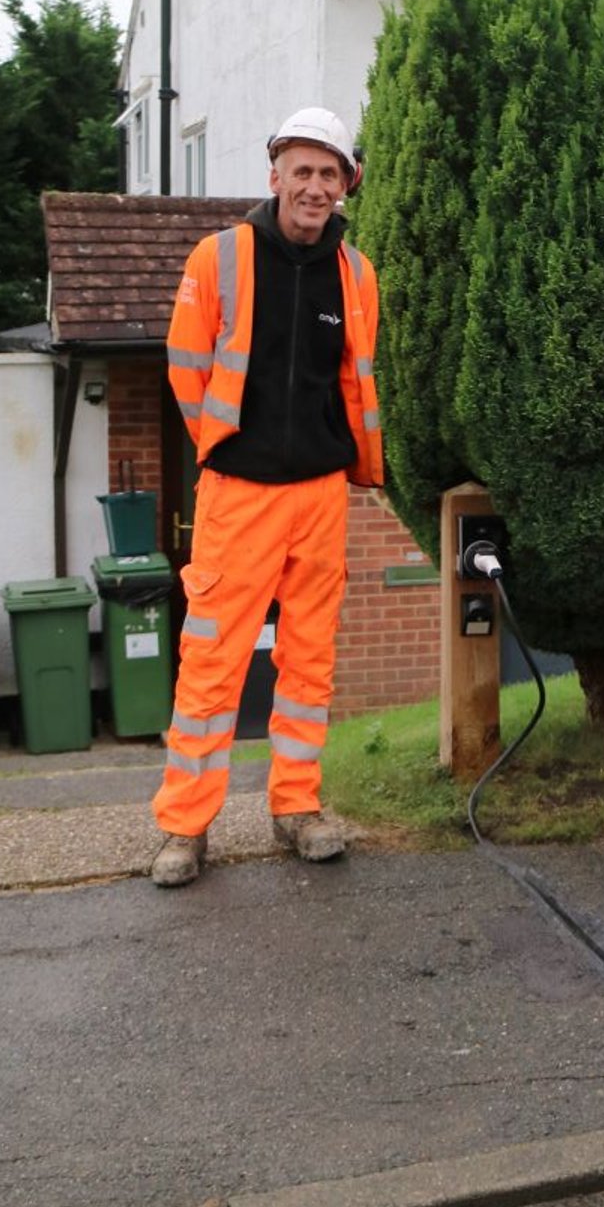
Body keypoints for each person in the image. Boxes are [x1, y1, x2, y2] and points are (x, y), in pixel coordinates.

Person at [148, 107, 383, 888]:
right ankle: (186, 827)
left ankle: (298, 807)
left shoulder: (356, 274)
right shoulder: (218, 258)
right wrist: (230, 449)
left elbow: (353, 379)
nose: (314, 187)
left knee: (309, 659)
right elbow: (187, 369)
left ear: (346, 185)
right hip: (238, 494)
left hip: (319, 495)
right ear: (275, 174)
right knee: (212, 662)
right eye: (302, 171)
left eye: (329, 173)